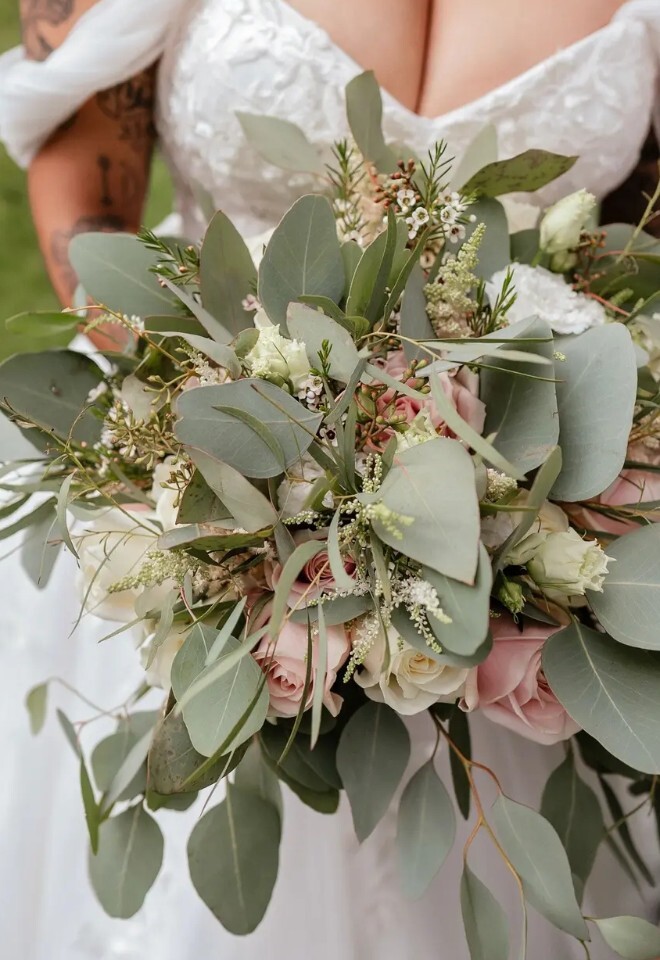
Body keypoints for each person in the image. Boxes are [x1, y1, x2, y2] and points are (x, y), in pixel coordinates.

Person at [1, 2, 660, 958]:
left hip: (536, 560)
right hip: (201, 487)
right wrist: (224, 422)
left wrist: (564, 471)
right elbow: (85, 188)